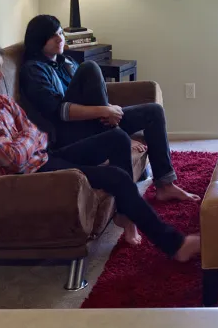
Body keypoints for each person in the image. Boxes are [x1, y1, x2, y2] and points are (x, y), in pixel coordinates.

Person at [0, 42, 200, 261]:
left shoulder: (1, 101)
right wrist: (29, 138)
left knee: (116, 137)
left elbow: (37, 135)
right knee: (117, 177)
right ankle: (176, 245)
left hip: (44, 158)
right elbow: (15, 160)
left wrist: (26, 139)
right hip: (27, 179)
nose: (0, 75)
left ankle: (125, 212)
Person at [19, 15, 198, 202]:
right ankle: (116, 133)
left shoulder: (66, 63)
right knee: (90, 68)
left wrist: (109, 108)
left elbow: (92, 95)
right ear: (38, 40)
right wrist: (105, 112)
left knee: (153, 112)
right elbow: (59, 112)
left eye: (60, 32)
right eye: (52, 36)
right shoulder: (33, 70)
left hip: (89, 125)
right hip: (66, 137)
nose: (60, 38)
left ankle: (165, 185)